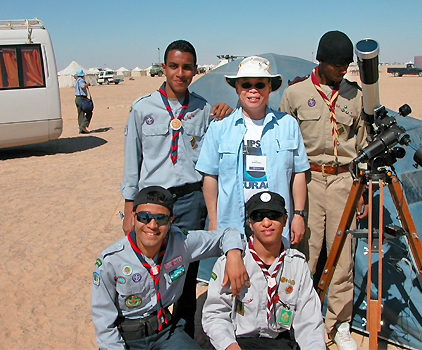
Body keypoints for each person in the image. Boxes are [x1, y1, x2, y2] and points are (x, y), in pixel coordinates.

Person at [120, 39, 233, 338]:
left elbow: (214, 151)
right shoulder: (142, 108)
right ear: (164, 68)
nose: (179, 73)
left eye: (186, 67)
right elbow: (133, 160)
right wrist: (129, 208)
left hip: (190, 200)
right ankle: (149, 327)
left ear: (195, 70)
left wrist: (227, 111)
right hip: (153, 203)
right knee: (149, 266)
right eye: (173, 66)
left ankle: (182, 329)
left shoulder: (203, 108)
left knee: (186, 268)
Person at [280, 30, 368, 350]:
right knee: (306, 254)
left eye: (347, 65)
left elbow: (365, 146)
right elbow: (284, 147)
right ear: (321, 61)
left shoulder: (355, 95)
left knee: (343, 257)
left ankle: (339, 324)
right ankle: (300, 319)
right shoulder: (295, 94)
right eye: (337, 65)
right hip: (309, 181)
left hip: (345, 181)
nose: (343, 70)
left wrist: (364, 194)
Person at [92, 186, 248, 350]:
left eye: (161, 218)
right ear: (133, 217)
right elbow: (104, 320)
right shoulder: (111, 260)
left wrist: (234, 255)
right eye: (144, 217)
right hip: (126, 338)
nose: (152, 225)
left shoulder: (182, 243)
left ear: (171, 220)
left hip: (165, 332)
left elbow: (228, 234)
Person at [195, 56, 309, 248]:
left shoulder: (288, 125)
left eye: (260, 84)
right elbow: (210, 176)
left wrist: (298, 215)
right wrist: (213, 221)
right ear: (237, 88)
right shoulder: (219, 128)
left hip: (275, 223)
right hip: (233, 225)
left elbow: (298, 173)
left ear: (270, 87)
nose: (253, 90)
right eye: (246, 84)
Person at [202, 191, 326, 350]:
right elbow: (215, 315)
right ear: (250, 223)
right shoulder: (230, 262)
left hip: (277, 342)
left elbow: (309, 322)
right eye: (259, 217)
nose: (266, 223)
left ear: (285, 219)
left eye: (274, 215)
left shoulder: (297, 265)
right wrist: (230, 346)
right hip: (236, 341)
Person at [74, 69, 92, 134]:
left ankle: (81, 129)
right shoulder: (81, 80)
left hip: (77, 98)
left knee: (80, 114)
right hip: (82, 98)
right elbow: (83, 86)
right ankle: (83, 125)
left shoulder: (76, 81)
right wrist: (87, 84)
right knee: (89, 112)